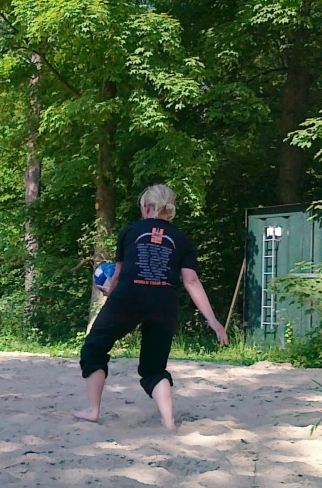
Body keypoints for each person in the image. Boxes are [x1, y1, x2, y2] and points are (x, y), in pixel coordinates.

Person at [76, 184, 228, 431]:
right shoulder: (181, 239)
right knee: (154, 366)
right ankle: (168, 421)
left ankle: (93, 410)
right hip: (164, 302)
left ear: (146, 207)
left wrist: (110, 292)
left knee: (94, 347)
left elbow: (118, 274)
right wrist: (212, 320)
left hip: (128, 297)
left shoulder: (130, 231)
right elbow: (191, 281)